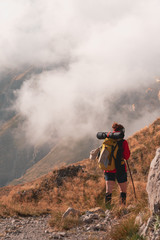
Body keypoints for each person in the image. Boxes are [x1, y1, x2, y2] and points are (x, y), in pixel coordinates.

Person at [97, 122, 130, 206]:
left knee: (108, 191)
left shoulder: (107, 140)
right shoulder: (123, 142)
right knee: (123, 190)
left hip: (108, 168)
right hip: (120, 168)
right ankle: (122, 208)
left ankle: (107, 209)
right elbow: (126, 156)